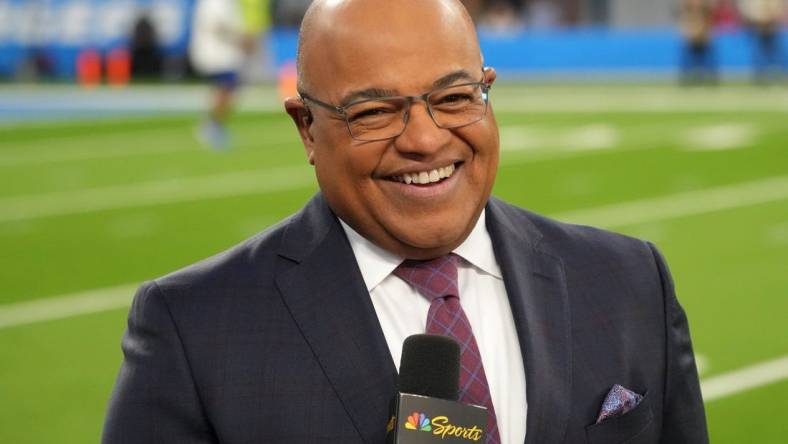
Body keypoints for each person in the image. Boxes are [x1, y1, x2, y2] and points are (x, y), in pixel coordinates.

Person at [102, 1, 709, 443]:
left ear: (487, 93)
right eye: (373, 111)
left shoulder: (631, 281)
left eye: (453, 99)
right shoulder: (194, 330)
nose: (424, 138)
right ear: (307, 128)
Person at [189, 0, 266, 149]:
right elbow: (219, 25)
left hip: (224, 51)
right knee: (227, 86)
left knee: (229, 87)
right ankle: (212, 125)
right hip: (217, 52)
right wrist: (241, 39)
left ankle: (214, 124)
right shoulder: (215, 3)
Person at [679, 0, 718, 85]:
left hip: (704, 38)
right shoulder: (688, 11)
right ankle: (687, 78)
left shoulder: (705, 11)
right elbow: (685, 25)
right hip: (691, 38)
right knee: (688, 59)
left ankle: (710, 78)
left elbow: (710, 19)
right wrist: (688, 34)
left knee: (707, 59)